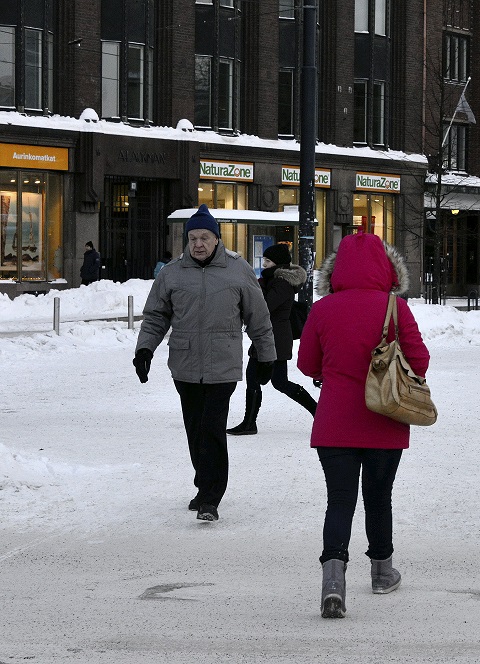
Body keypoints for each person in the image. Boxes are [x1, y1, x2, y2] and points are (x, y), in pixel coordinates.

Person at [297, 232, 430, 619]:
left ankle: (333, 583)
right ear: (387, 267)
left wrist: (335, 369)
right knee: (378, 497)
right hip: (385, 419)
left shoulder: (323, 309)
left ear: (336, 270)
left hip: (334, 422)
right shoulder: (395, 307)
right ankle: (382, 572)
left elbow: (307, 365)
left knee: (339, 500)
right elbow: (419, 361)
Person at [133, 205, 276, 522]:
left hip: (221, 364)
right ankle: (203, 483)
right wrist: (145, 349)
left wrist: (267, 355)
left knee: (212, 429)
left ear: (217, 239)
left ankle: (211, 497)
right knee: (195, 430)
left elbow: (258, 317)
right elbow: (156, 316)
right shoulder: (172, 273)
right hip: (184, 364)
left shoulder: (237, 270)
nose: (198, 243)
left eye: (205, 237)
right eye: (193, 238)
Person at [227, 243, 317, 435]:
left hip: (274, 339)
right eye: (264, 260)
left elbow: (265, 306)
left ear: (277, 264)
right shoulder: (273, 282)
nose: (264, 264)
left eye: (268, 261)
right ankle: (250, 422)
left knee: (272, 380)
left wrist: (255, 285)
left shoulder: (281, 284)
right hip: (269, 337)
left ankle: (250, 423)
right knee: (273, 380)